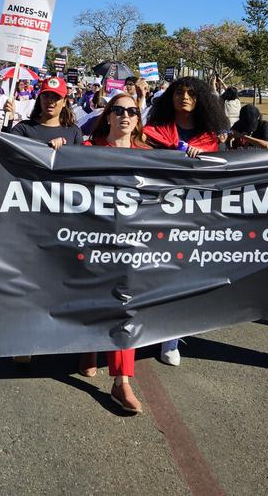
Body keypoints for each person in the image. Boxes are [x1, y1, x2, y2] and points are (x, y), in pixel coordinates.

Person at [142, 77, 227, 365]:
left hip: (192, 214)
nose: (185, 97)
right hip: (154, 211)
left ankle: (171, 339)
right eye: (179, 92)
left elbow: (221, 178)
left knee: (182, 276)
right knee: (151, 273)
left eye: (192, 93)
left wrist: (205, 160)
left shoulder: (210, 139)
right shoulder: (152, 132)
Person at [79, 93, 150, 413]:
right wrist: (55, 151)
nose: (125, 115)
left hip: (133, 245)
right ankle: (88, 348)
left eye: (132, 111)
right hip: (91, 239)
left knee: (125, 305)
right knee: (92, 298)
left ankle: (121, 380)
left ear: (138, 119)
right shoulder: (87, 151)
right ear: (107, 116)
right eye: (118, 110)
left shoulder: (150, 155)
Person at [4, 77, 83, 148]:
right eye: (46, 96)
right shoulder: (23, 128)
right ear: (40, 99)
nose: (50, 101)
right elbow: (6, 149)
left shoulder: (74, 132)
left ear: (64, 102)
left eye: (56, 97)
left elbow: (79, 161)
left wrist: (63, 150)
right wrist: (8, 120)